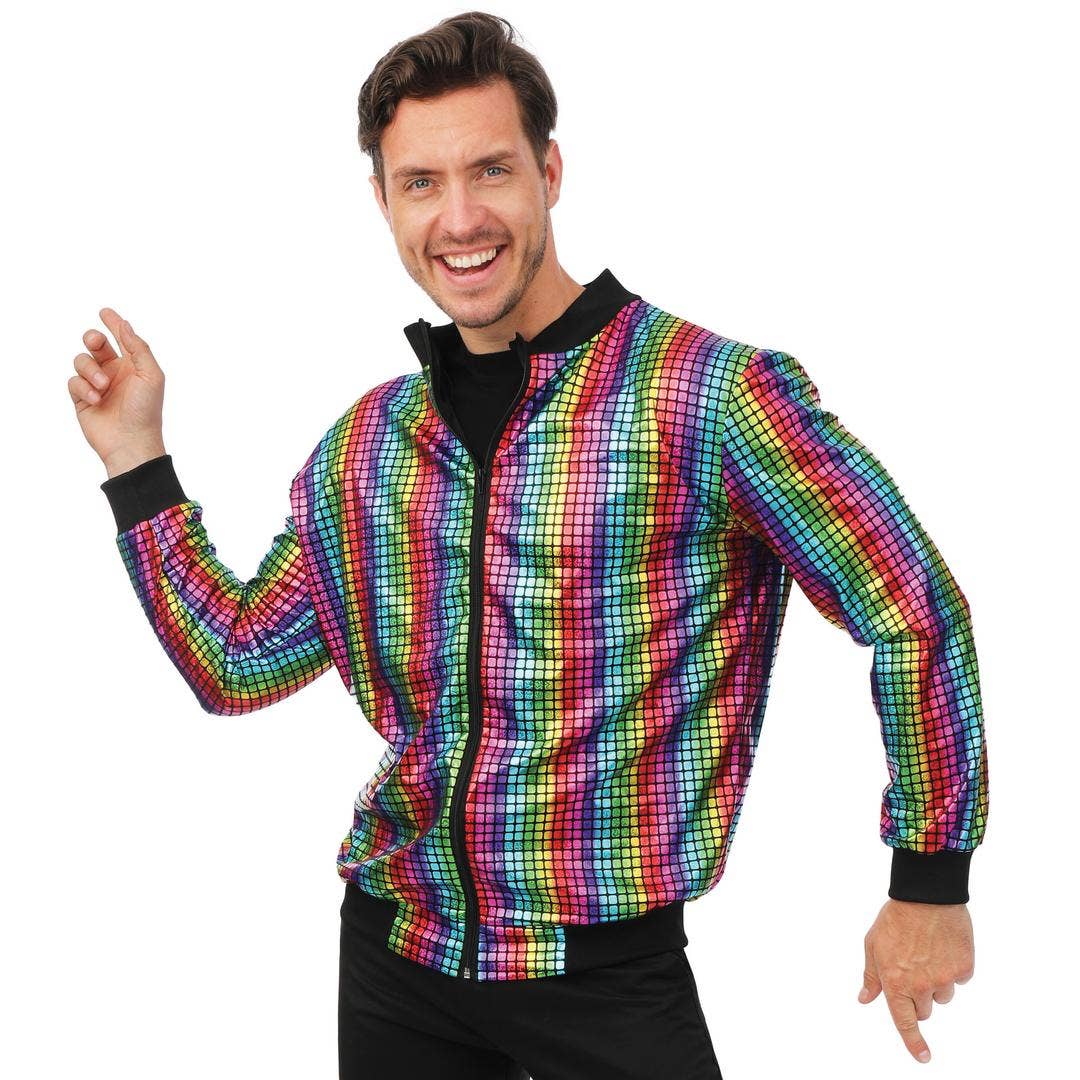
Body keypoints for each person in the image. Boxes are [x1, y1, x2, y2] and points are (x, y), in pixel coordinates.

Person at [69, 11, 988, 1079]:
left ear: (550, 172)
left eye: (492, 170)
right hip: (395, 962)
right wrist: (137, 463)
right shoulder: (369, 447)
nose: (460, 218)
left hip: (605, 977)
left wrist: (931, 881)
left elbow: (911, 607)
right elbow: (236, 663)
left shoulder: (709, 397)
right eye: (421, 183)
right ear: (384, 202)